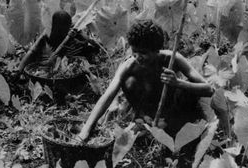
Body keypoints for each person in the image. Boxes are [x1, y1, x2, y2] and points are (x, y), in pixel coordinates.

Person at [78, 19, 215, 142]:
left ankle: (177, 124)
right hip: (147, 114)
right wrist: (87, 129)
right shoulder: (128, 66)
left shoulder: (171, 59)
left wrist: (178, 83)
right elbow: (107, 97)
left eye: (143, 53)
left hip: (172, 110)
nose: (138, 57)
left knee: (188, 91)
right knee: (130, 81)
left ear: (157, 50)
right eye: (134, 51)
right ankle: (146, 121)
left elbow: (209, 90)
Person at [18, 10, 100, 72]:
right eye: (59, 29)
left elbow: (93, 44)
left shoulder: (74, 30)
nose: (62, 32)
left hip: (72, 59)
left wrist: (82, 39)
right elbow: (32, 52)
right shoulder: (47, 34)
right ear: (54, 26)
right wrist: (19, 70)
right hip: (53, 60)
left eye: (65, 28)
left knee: (90, 53)